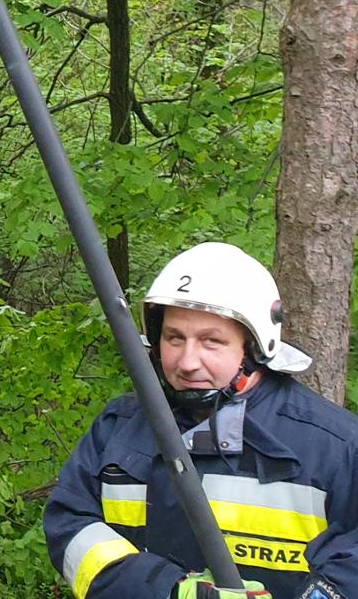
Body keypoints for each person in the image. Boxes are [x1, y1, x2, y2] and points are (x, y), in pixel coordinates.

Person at [44, 242, 358, 599]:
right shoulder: (118, 429)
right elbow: (70, 527)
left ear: (253, 347)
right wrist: (168, 591)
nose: (187, 361)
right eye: (174, 338)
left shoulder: (335, 447)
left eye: (211, 342)